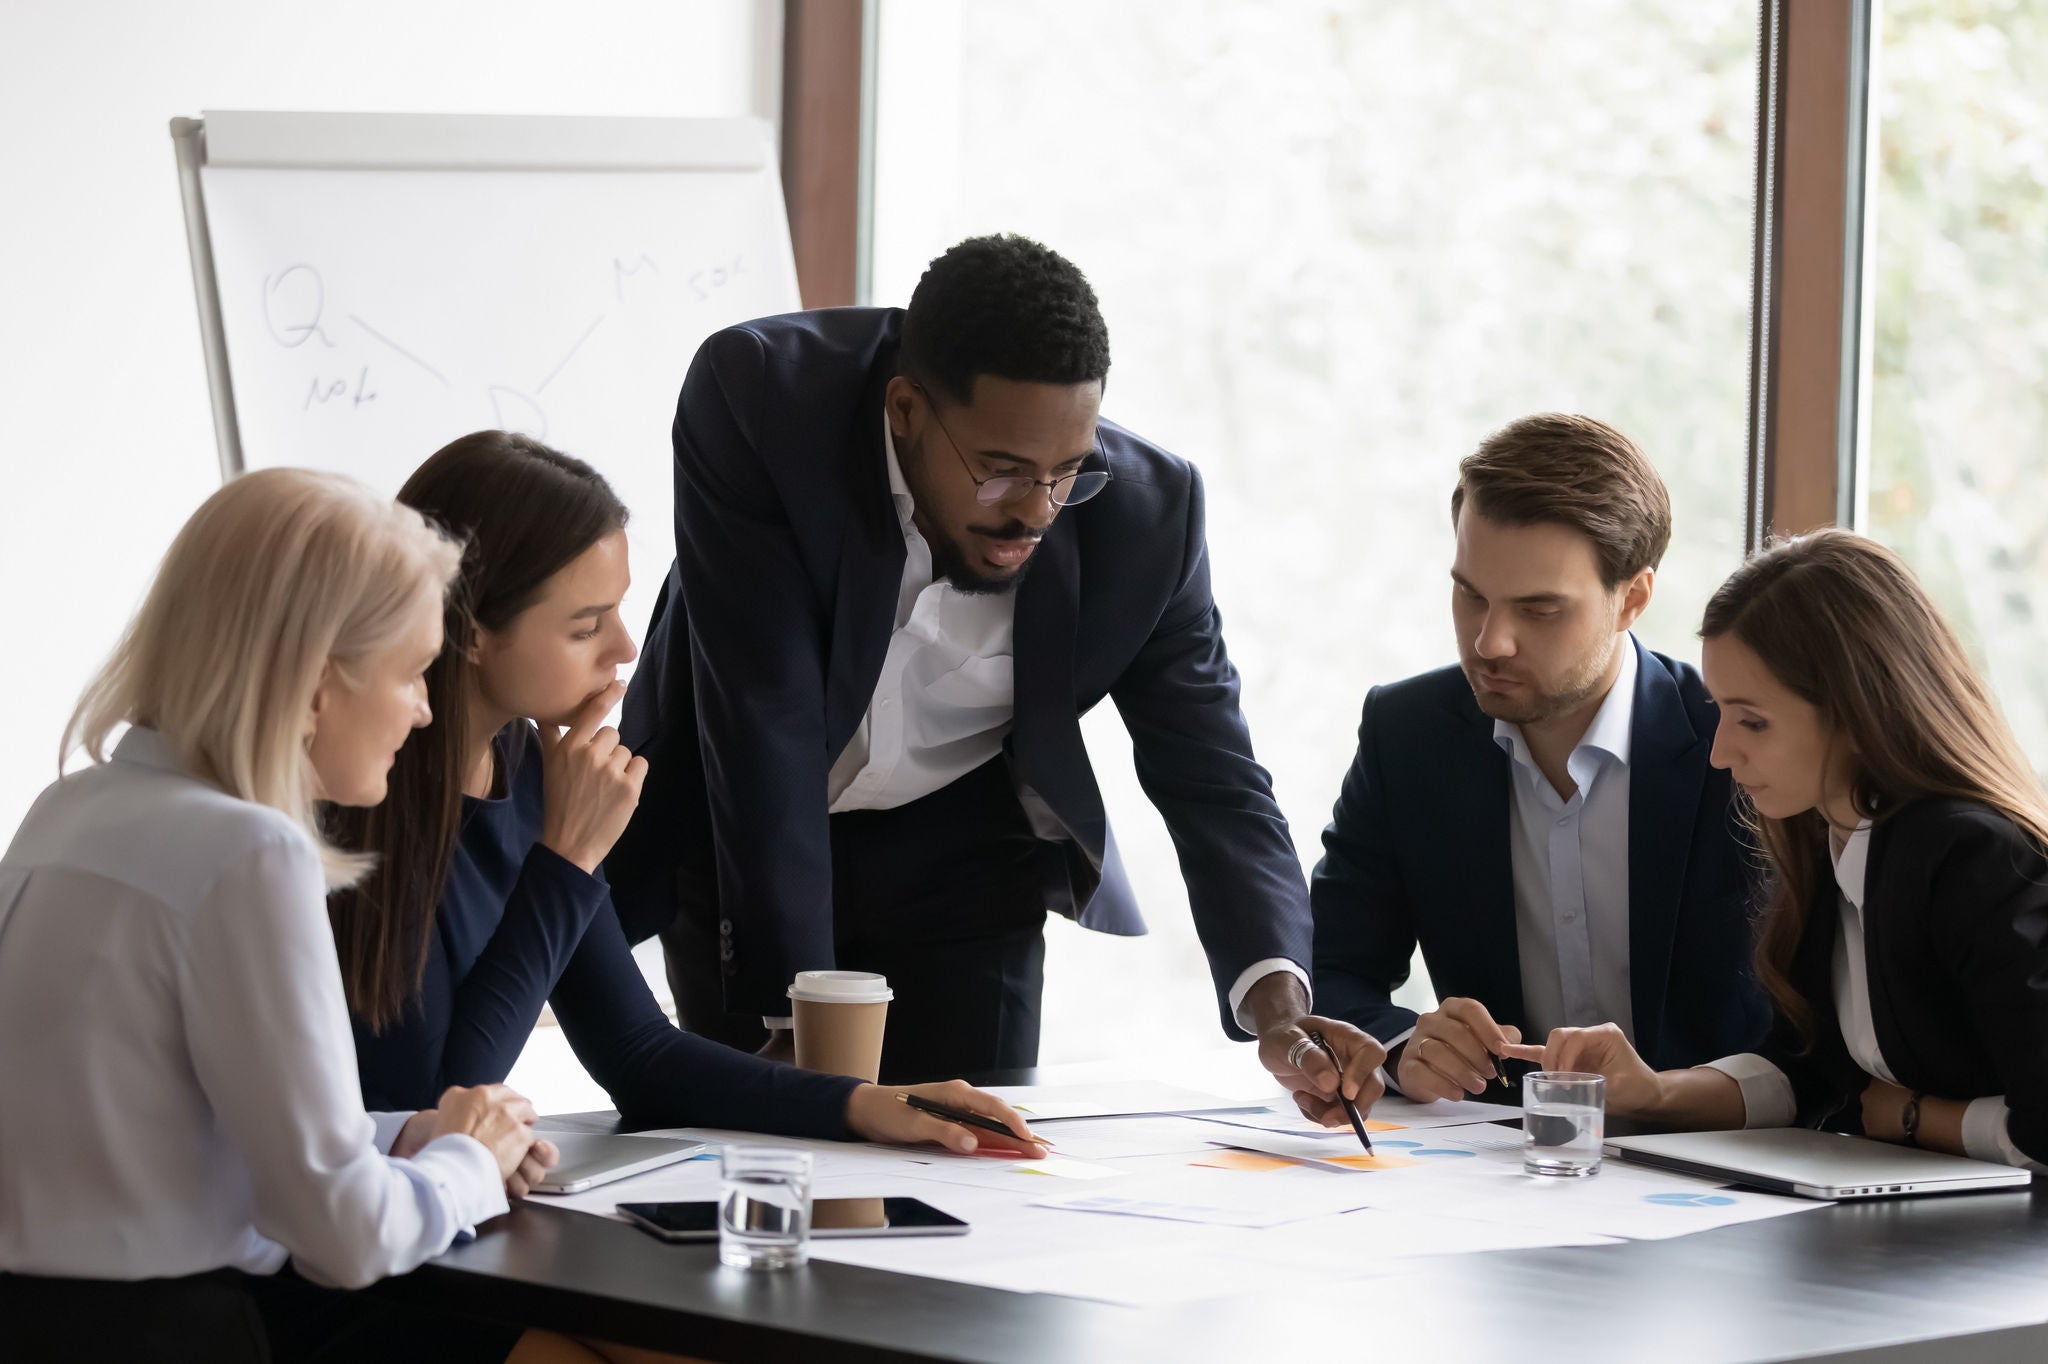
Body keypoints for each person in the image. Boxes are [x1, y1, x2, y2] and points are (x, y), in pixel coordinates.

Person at [608, 233, 1379, 1117]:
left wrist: (1282, 1011)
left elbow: (1214, 772)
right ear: (905, 411)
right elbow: (763, 718)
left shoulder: (1148, 516)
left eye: (1066, 473)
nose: (1035, 511)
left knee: (977, 1164)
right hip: (749, 835)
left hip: (964, 857)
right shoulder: (761, 401)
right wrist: (797, 1024)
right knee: (765, 1156)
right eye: (1002, 471)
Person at [329, 431, 1048, 1156]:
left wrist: (865, 1104)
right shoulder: (358, 794)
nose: (625, 649)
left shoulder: (531, 769)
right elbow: (430, 1108)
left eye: (617, 611)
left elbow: (637, 1052)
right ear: (472, 630)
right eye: (585, 627)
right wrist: (569, 858)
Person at [0, 469, 551, 1362]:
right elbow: (346, 1234)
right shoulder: (251, 853)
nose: (423, 708)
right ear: (315, 685)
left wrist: (404, 1133)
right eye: (412, 672)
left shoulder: (68, 811)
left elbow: (168, 1129)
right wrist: (470, 1164)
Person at [1502, 529, 2048, 1171]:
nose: (1720, 752)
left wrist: (1917, 1118)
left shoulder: (1971, 855)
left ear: (1857, 710)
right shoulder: (1829, 838)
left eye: (1752, 721)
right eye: (1721, 713)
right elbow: (1803, 1072)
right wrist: (1652, 1090)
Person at [1311, 414, 1769, 1108]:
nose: (1490, 642)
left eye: (1540, 610)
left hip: (1715, 1160)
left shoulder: (1735, 744)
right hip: (1496, 1167)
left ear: (1633, 600)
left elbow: (1813, 1028)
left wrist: (1668, 1096)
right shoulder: (1407, 734)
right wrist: (1405, 1049)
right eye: (1471, 595)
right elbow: (1329, 968)